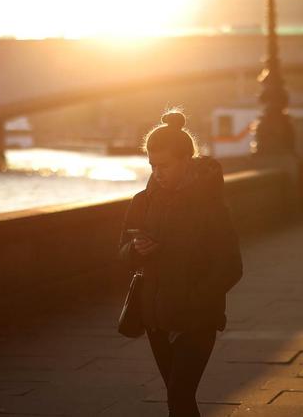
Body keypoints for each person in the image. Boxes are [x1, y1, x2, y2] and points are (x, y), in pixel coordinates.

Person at [118, 110, 243, 417]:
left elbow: (231, 266)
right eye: (152, 165)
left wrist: (194, 303)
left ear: (187, 160)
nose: (157, 172)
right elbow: (120, 254)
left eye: (165, 165)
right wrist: (137, 249)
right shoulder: (141, 202)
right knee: (179, 400)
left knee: (179, 394)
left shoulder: (211, 206)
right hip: (156, 319)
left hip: (196, 320)